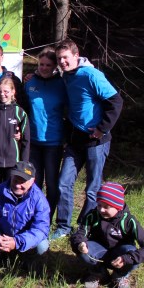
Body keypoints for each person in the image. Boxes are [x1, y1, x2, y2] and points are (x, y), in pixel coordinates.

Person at [51, 39, 123, 240]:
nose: (62, 62)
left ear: (76, 55)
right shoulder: (66, 76)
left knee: (92, 189)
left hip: (95, 141)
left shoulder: (91, 74)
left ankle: (84, 226)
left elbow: (116, 101)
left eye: (65, 57)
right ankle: (63, 227)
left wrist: (101, 129)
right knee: (63, 183)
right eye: (59, 59)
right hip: (75, 141)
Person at [0, 161, 50, 271]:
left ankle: (28, 261)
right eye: (15, 180)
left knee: (42, 245)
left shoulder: (39, 199)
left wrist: (17, 242)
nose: (17, 185)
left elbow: (41, 229)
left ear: (32, 181)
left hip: (24, 239)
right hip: (1, 237)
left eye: (22, 182)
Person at [71, 182, 142, 288]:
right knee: (83, 249)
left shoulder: (129, 221)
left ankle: (120, 275)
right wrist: (80, 243)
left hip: (120, 254)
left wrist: (128, 258)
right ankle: (98, 272)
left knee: (134, 256)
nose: (101, 209)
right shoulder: (92, 215)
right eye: (99, 205)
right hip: (99, 250)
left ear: (117, 207)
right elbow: (80, 233)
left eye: (106, 207)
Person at [25, 47, 67, 220]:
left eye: (48, 65)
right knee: (33, 182)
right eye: (41, 64)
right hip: (33, 142)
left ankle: (47, 219)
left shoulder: (62, 84)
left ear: (55, 66)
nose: (44, 68)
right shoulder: (29, 82)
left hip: (53, 142)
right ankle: (33, 216)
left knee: (51, 183)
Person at [0, 78, 30, 188]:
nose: (2, 94)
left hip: (13, 163)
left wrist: (24, 163)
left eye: (6, 91)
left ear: (13, 92)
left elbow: (26, 140)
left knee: (11, 191)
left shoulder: (20, 113)